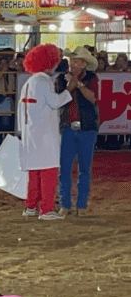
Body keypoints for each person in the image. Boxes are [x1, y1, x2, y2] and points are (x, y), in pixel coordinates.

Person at [17, 44, 73, 221]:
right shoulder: (43, 82)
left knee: (33, 172)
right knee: (48, 170)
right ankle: (47, 209)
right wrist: (69, 89)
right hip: (44, 133)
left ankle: (31, 206)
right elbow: (55, 102)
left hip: (30, 132)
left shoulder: (30, 81)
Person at [55, 47, 99, 216]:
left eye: (77, 61)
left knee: (81, 169)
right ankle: (69, 204)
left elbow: (93, 98)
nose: (73, 64)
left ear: (83, 64)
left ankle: (77, 205)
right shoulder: (61, 79)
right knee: (67, 169)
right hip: (75, 127)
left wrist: (75, 85)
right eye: (73, 61)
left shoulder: (90, 78)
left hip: (83, 128)